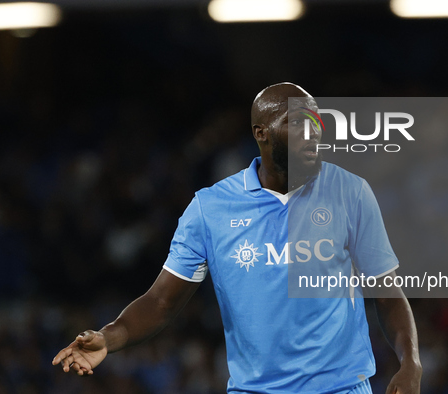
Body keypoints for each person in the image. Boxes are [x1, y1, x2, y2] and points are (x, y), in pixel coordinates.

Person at [52, 82, 422, 394]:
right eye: (296, 123)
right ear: (261, 133)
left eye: (316, 122)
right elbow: (161, 302)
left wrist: (411, 363)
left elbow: (388, 294)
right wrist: (110, 336)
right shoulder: (209, 208)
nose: (311, 132)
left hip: (342, 388)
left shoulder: (350, 192)